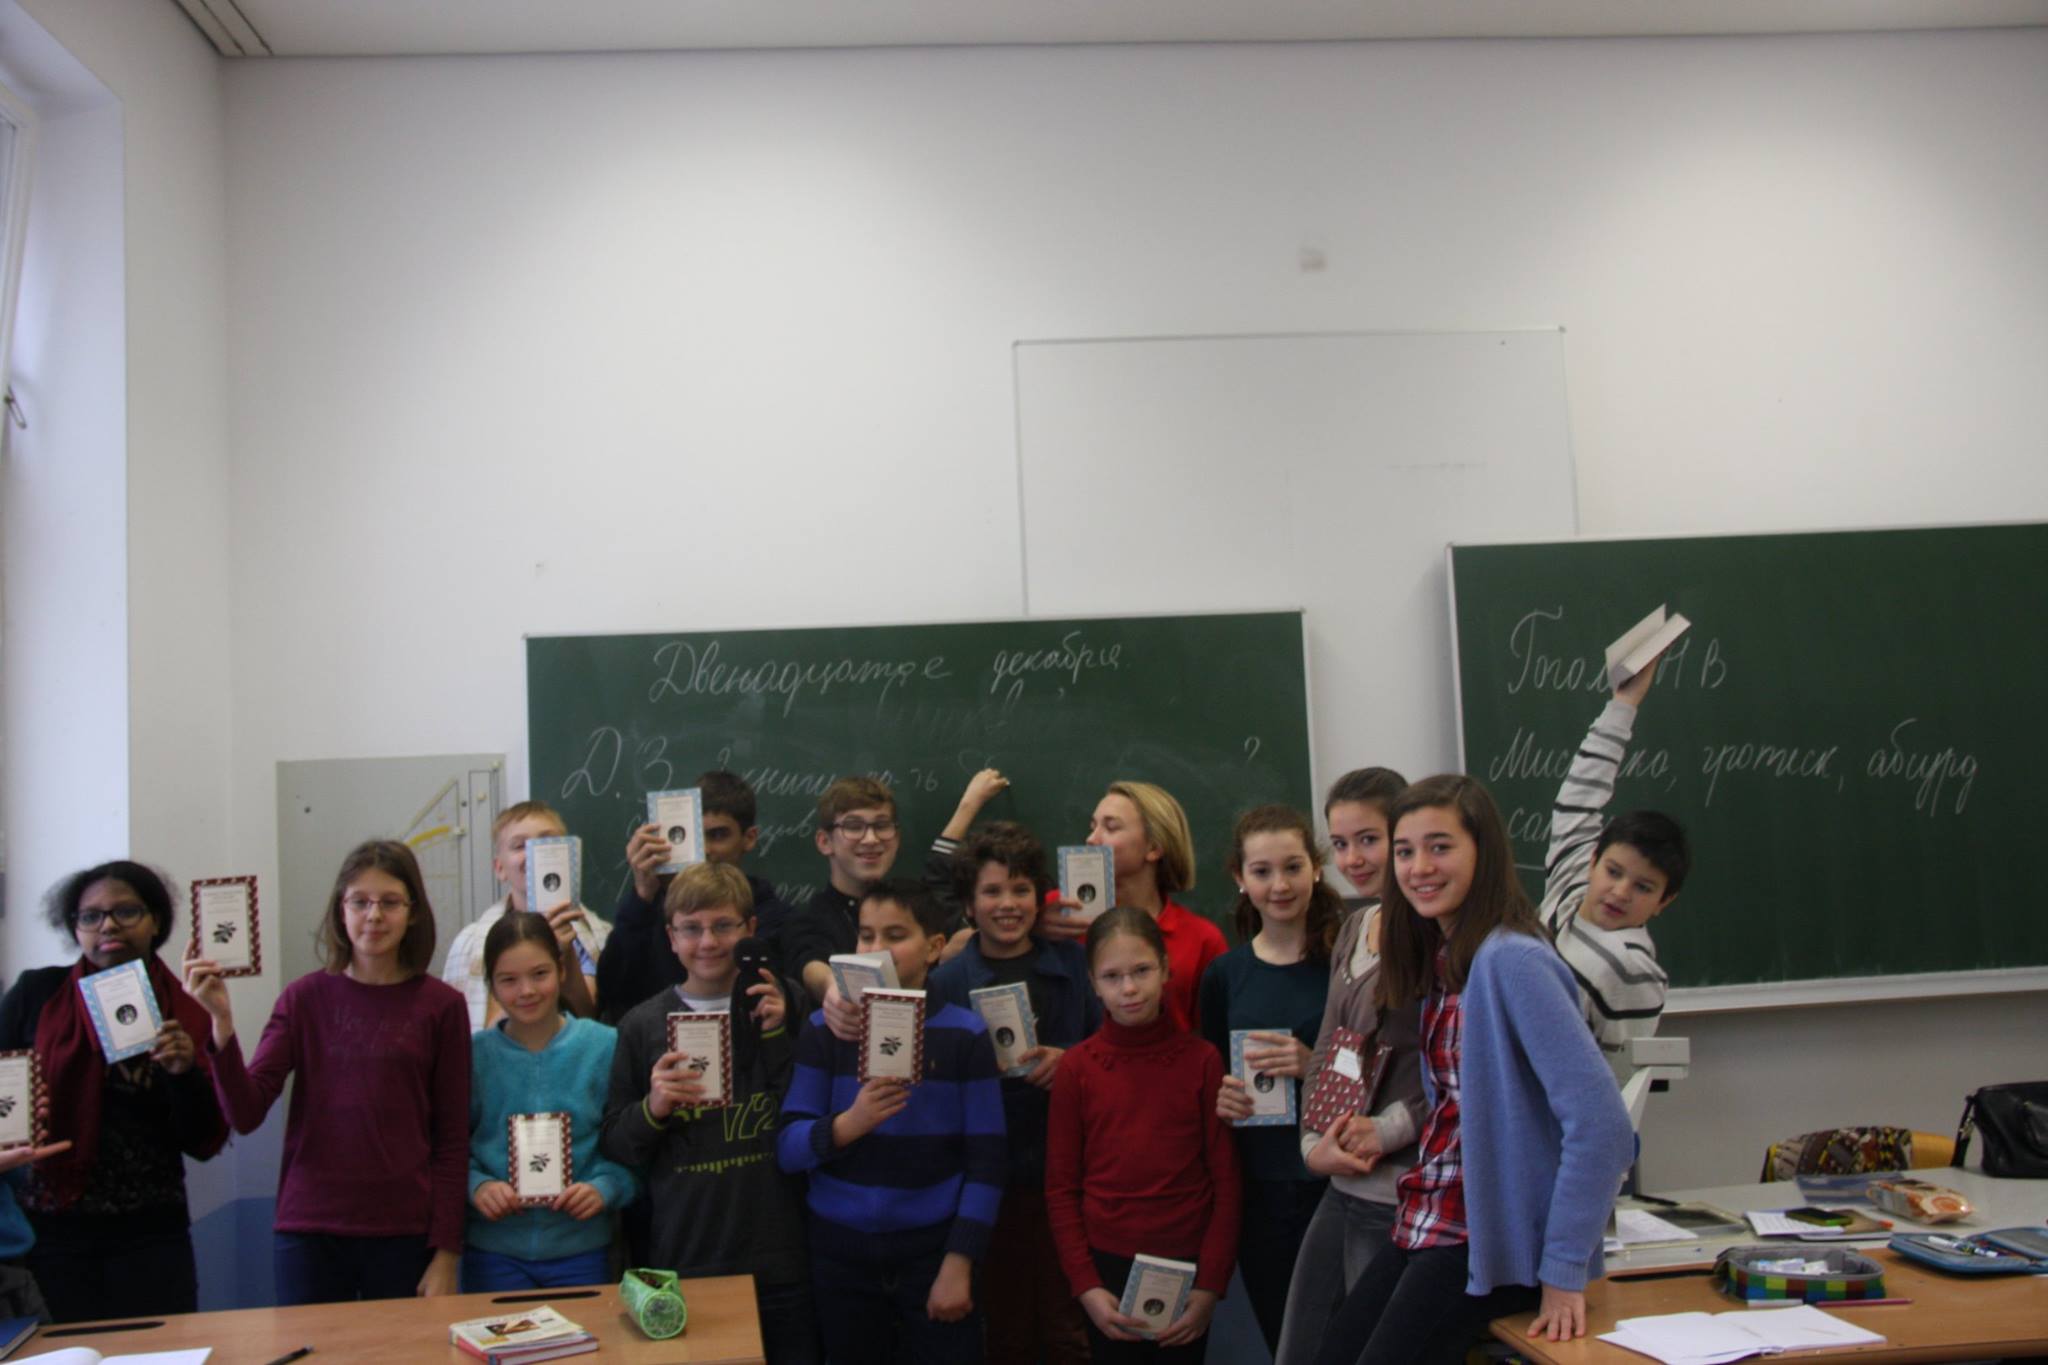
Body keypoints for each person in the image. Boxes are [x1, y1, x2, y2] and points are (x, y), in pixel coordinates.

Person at [1311, 776, 1635, 1364]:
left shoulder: (1514, 959)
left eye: (1440, 847)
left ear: (1482, 852)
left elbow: (1603, 1128)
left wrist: (1564, 1269)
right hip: (1429, 1217)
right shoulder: (1447, 958)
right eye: (1405, 851)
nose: (1418, 868)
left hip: (1480, 1241)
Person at [187, 839, 470, 1304]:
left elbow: (452, 1139)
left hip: (404, 1232)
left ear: (413, 912)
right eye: (360, 901)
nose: (374, 915)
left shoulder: (443, 1006)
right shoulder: (303, 999)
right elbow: (246, 1113)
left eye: (390, 902)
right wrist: (221, 1024)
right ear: (341, 910)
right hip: (310, 1230)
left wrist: (447, 1254)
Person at [778, 879, 1005, 1365]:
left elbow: (987, 1162)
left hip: (934, 1255)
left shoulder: (964, 1035)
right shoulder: (823, 1031)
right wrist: (848, 1124)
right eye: (866, 936)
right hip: (841, 1256)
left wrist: (959, 1262)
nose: (875, 951)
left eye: (895, 936)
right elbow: (788, 1148)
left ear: (934, 948)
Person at [602, 861, 817, 1364]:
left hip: (781, 1253)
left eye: (724, 925)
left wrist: (777, 1037)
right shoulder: (642, 1026)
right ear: (671, 937)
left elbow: (814, 1119)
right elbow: (616, 1143)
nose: (708, 942)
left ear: (751, 929)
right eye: (691, 929)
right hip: (688, 1255)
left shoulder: (789, 1002)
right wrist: (654, 1107)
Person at [0, 862, 228, 1321]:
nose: (108, 925)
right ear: (75, 927)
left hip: (152, 1237)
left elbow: (204, 1140)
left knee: (161, 1350)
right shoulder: (36, 995)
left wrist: (183, 1073)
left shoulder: (189, 1009)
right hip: (53, 1233)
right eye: (91, 916)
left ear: (155, 920)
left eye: (126, 911)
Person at [927, 821, 1097, 1365]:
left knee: (1069, 1325)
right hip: (985, 1179)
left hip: (1068, 1169)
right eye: (992, 891)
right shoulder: (946, 982)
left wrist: (1071, 1061)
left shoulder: (1072, 963)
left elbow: (1111, 1050)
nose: (1007, 904)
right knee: (1005, 1328)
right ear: (968, 905)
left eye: (1021, 889)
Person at [1272, 768, 1427, 1365]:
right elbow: (1329, 1047)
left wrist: (1384, 1131)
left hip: (1397, 1189)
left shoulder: (1438, 942)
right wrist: (1313, 1143)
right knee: (1299, 1349)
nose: (1352, 859)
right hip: (1340, 1182)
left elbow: (1453, 1077)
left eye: (1369, 839)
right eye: (1339, 844)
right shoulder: (1356, 927)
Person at [1046, 907, 1240, 1363]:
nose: (1129, 988)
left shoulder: (1203, 1061)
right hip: (1105, 1264)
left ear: (1166, 969)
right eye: (1112, 976)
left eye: (1141, 971)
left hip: (1187, 1262)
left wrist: (1210, 1283)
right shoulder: (1077, 1068)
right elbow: (1060, 1187)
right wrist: (1086, 1285)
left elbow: (1227, 1182)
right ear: (1093, 983)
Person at [1197, 806, 1340, 1353]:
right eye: (1262, 871)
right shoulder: (1224, 975)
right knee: (1286, 1342)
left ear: (1316, 869)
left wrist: (1314, 1065)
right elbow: (1215, 1073)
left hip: (1336, 1185)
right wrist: (1225, 1099)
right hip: (1259, 1190)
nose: (1279, 885)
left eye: (1293, 867)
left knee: (1342, 1340)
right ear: (1240, 878)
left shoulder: (1346, 963)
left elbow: (1381, 1070)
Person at [464, 911, 637, 1292]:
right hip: (492, 1252)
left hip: (582, 1249)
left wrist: (607, 1187)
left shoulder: (604, 1046)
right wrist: (477, 1186)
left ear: (560, 970)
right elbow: (447, 1149)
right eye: (509, 980)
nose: (526, 991)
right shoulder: (473, 1057)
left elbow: (633, 1142)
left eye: (539, 974)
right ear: (491, 985)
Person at [1537, 657, 1691, 1080]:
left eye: (1644, 887)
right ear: (1593, 861)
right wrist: (1624, 702)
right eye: (1614, 872)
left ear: (1664, 901)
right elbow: (1582, 792)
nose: (1620, 892)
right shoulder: (1572, 883)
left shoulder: (1631, 969)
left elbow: (1617, 1082)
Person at [597, 769, 791, 1023]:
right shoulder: (647, 906)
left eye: (718, 835)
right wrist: (644, 894)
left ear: (749, 838)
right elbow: (610, 989)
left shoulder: (771, 913)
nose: (705, 850)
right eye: (693, 836)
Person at [440, 801, 608, 1030]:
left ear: (570, 857)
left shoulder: (598, 937)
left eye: (546, 843)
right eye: (520, 846)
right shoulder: (469, 944)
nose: (534, 854)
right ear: (500, 868)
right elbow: (472, 1031)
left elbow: (590, 1020)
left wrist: (564, 953)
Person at [1075, 781, 1223, 1032]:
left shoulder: (1202, 939)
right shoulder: (1063, 914)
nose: (1091, 839)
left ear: (1153, 847)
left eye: (1110, 827)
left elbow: (1213, 1035)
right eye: (1093, 827)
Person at [783, 776, 902, 1007]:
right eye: (853, 827)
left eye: (881, 826)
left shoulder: (915, 910)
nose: (871, 839)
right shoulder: (807, 921)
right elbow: (809, 963)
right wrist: (833, 988)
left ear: (896, 837)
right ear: (824, 842)